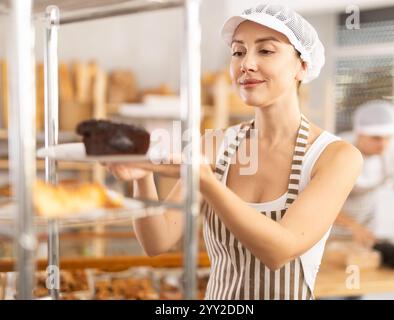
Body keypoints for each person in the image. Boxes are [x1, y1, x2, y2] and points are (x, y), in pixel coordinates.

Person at [107, 3, 362, 300]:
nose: (246, 64)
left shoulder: (335, 156)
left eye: (265, 51)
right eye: (238, 52)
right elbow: (157, 241)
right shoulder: (215, 144)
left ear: (302, 66)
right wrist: (143, 177)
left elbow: (280, 250)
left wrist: (206, 182)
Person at [332, 100, 394, 247]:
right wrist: (353, 227)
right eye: (376, 138)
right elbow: (324, 202)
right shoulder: (338, 150)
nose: (383, 144)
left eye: (388, 137)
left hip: (367, 220)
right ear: (360, 133)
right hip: (331, 222)